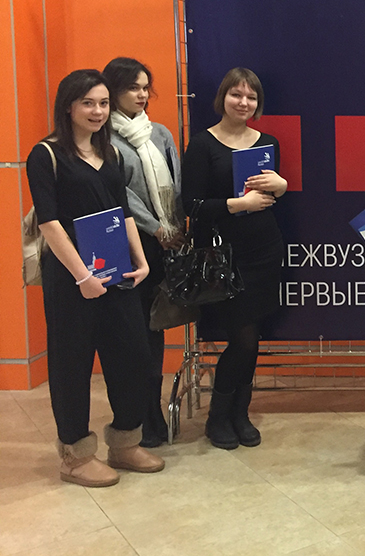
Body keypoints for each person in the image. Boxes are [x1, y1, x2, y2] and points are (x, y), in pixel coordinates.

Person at [27, 69, 165, 487]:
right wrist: (82, 276)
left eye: (103, 103)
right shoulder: (46, 154)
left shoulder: (112, 154)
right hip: (71, 277)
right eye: (88, 102)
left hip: (117, 271)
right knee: (71, 364)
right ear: (68, 106)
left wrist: (140, 259)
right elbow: (49, 223)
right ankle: (76, 456)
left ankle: (125, 442)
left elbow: (123, 211)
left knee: (133, 355)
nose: (98, 111)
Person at [182, 67, 287, 450]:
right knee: (242, 340)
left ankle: (240, 414)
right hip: (223, 256)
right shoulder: (202, 144)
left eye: (251, 97)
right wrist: (237, 204)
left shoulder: (267, 142)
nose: (244, 102)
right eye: (236, 95)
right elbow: (191, 205)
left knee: (253, 339)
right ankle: (218, 417)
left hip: (264, 250)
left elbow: (270, 196)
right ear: (222, 97)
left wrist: (281, 186)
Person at [103, 57, 184, 448]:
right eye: (132, 87)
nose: (140, 95)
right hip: (129, 243)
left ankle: (153, 416)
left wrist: (175, 227)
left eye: (144, 87)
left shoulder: (160, 133)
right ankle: (137, 418)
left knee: (154, 331)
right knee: (131, 335)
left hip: (166, 244)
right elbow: (121, 195)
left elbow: (176, 182)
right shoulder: (104, 138)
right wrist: (156, 228)